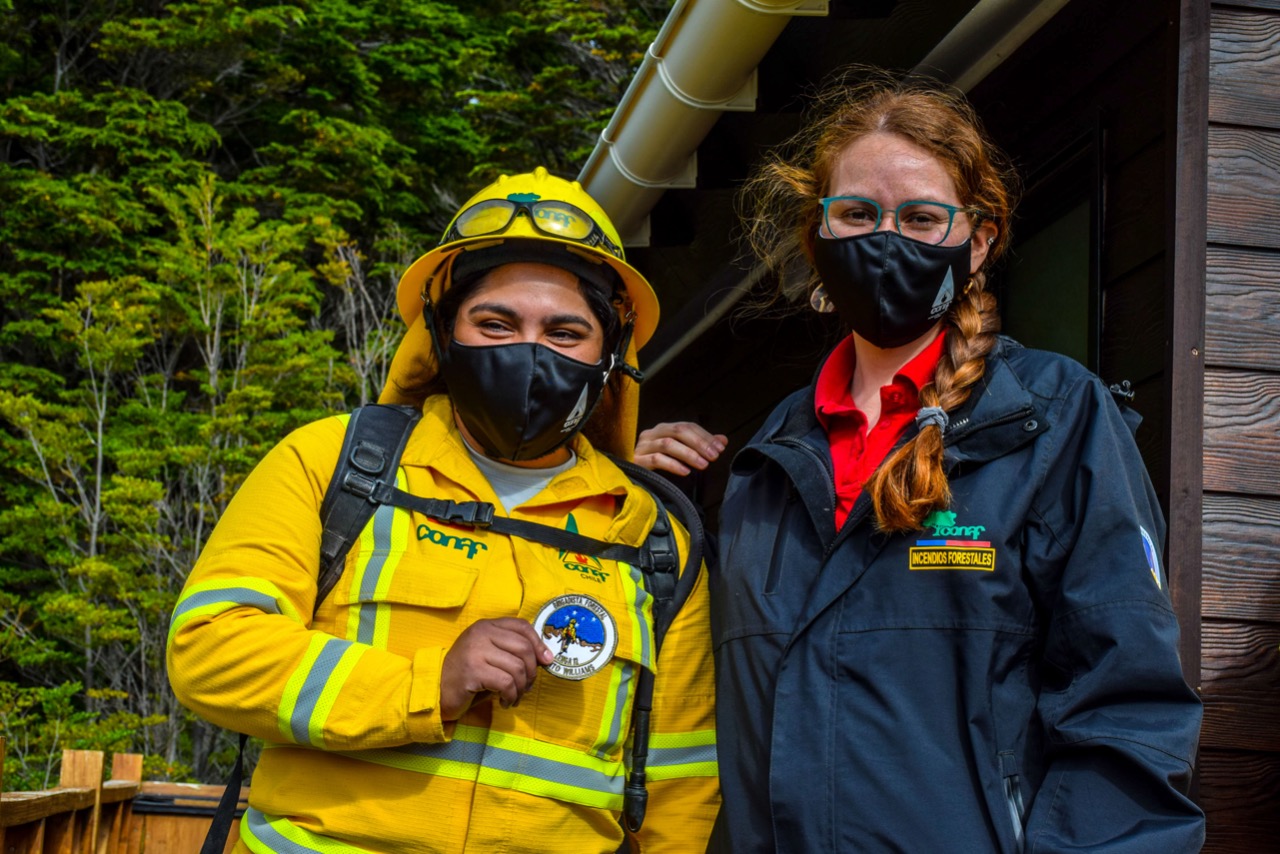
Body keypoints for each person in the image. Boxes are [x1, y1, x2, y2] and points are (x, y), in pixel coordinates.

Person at [637, 72, 1204, 852]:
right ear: (819, 236)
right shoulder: (761, 464)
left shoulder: (1051, 416)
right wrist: (628, 497)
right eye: (859, 213)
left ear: (978, 241)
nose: (886, 238)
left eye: (922, 217)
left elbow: (1126, 703)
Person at [167, 168, 719, 853]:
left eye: (565, 332)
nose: (530, 350)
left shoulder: (653, 536)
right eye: (496, 323)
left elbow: (682, 783)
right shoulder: (330, 464)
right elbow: (210, 650)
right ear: (442, 332)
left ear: (610, 354)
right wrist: (429, 683)